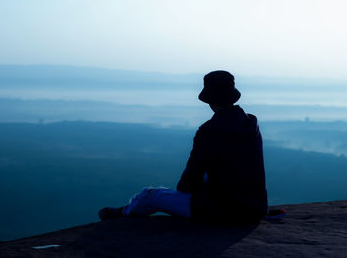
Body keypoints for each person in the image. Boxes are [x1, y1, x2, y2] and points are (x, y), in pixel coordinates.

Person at [99, 70, 268, 223]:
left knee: (149, 196)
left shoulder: (209, 131)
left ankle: (123, 214)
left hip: (221, 211)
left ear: (209, 100)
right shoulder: (251, 124)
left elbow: (189, 181)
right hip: (254, 209)